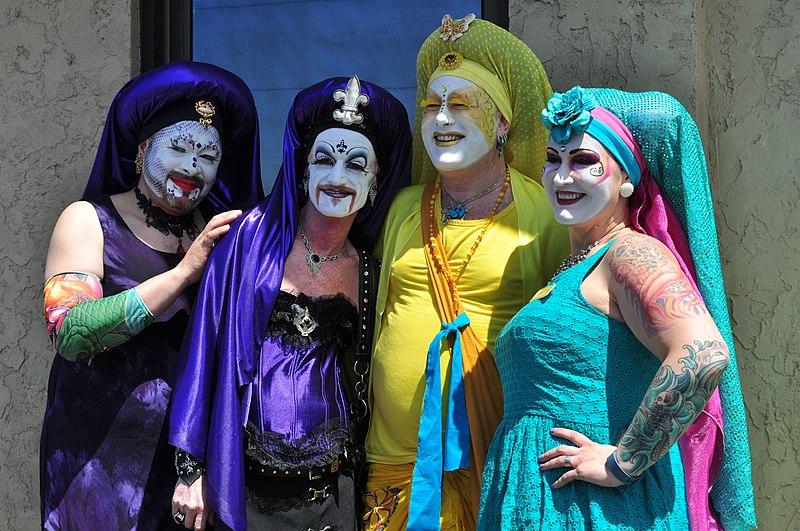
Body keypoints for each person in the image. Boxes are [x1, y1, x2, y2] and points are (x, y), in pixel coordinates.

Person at [478, 86, 757, 530]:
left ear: (625, 177)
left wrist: (622, 462)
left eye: (584, 161)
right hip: (553, 506)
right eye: (554, 159)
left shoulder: (628, 253)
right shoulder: (577, 266)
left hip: (604, 511)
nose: (562, 176)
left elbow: (703, 353)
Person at [168, 76, 411, 530]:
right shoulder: (248, 242)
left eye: (357, 165)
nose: (338, 178)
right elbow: (202, 352)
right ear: (303, 170)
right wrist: (190, 470)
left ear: (375, 184)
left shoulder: (369, 271)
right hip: (246, 492)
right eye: (324, 159)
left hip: (331, 495)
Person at [363, 14, 569, 531]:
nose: (442, 119)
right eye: (432, 106)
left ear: (503, 124)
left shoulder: (542, 214)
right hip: (393, 464)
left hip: (489, 457)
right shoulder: (402, 208)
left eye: (461, 105)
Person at [39, 61, 264, 530]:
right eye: (178, 147)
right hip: (94, 458)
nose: (191, 167)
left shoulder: (220, 236)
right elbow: (71, 332)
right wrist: (183, 274)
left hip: (185, 472)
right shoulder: (87, 221)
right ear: (142, 151)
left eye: (207, 156)